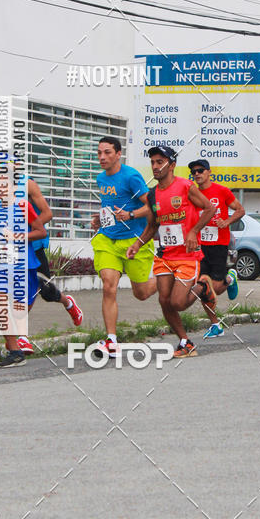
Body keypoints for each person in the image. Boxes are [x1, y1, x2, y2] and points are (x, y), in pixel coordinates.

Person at [126, 146, 216, 358]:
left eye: (160, 162)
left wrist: (194, 231)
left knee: (178, 302)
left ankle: (203, 287)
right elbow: (153, 226)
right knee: (164, 301)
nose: (155, 166)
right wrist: (137, 244)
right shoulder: (152, 195)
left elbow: (210, 208)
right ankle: (185, 342)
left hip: (187, 255)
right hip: (165, 255)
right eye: (153, 162)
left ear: (172, 165)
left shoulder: (185, 186)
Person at [90, 137, 157, 358]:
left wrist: (131, 214)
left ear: (118, 154)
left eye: (107, 152)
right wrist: (100, 219)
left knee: (142, 293)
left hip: (135, 239)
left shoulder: (131, 177)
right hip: (108, 239)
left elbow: (152, 205)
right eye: (99, 152)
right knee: (109, 286)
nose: (102, 157)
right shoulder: (101, 178)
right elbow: (109, 206)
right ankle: (111, 340)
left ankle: (169, 277)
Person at [9, 168, 83, 354]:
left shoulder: (28, 184)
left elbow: (47, 213)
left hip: (32, 246)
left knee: (44, 290)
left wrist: (26, 230)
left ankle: (68, 303)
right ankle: (21, 338)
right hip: (13, 250)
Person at [0, 176, 47, 367]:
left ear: (13, 187)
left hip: (24, 264)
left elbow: (41, 232)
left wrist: (16, 236)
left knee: (18, 312)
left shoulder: (23, 206)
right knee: (0, 304)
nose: (0, 188)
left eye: (4, 184)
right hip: (3, 265)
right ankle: (15, 352)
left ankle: (18, 341)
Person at [187, 159, 243, 338]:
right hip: (200, 246)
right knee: (203, 287)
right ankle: (215, 325)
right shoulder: (192, 194)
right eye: (194, 172)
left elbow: (240, 210)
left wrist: (226, 222)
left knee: (216, 288)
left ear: (209, 172)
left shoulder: (222, 191)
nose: (197, 174)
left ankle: (230, 277)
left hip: (219, 244)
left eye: (200, 170)